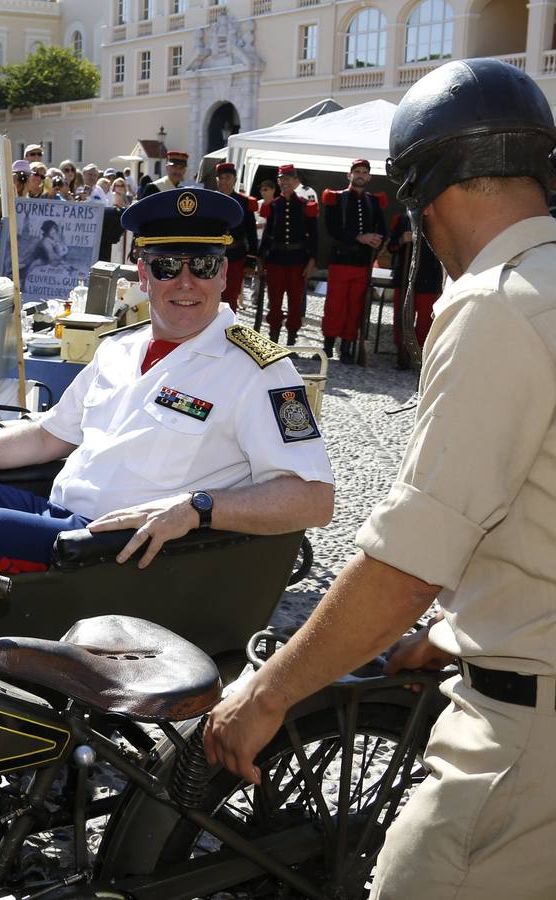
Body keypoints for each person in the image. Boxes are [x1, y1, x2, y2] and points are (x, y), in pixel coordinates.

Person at [204, 58, 556, 898]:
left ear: (422, 192)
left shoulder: (496, 302)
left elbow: (405, 562)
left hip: (525, 740)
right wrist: (454, 633)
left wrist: (265, 694)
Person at [0, 186, 333, 582]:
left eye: (201, 265)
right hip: (60, 515)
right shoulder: (120, 347)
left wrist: (197, 509)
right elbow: (48, 435)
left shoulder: (257, 369)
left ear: (224, 273)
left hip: (122, 553)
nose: (186, 282)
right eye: (167, 266)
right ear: (143, 274)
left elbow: (313, 497)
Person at [321, 160, 386, 363]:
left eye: (364, 172)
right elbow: (332, 228)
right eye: (356, 171)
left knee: (355, 306)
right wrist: (360, 237)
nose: (360, 175)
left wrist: (377, 238)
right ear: (349, 175)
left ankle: (347, 346)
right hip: (341, 259)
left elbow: (382, 228)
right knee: (335, 304)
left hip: (362, 262)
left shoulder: (374, 201)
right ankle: (328, 346)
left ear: (369, 177)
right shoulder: (336, 198)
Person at [258, 164, 318, 345]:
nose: (285, 182)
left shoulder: (305, 206)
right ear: (278, 181)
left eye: (289, 178)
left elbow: (314, 236)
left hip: (297, 260)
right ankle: (273, 336)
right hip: (276, 259)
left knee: (295, 302)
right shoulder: (273, 206)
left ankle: (292, 338)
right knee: (274, 301)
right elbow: (267, 234)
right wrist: (261, 260)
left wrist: (311, 261)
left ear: (296, 181)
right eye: (282, 179)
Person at [386, 211, 442, 370]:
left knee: (425, 319)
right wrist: (403, 239)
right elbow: (391, 246)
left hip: (428, 277)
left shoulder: (438, 221)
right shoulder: (402, 220)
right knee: (402, 317)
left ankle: (419, 355)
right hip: (404, 278)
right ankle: (402, 352)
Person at [214, 162, 259, 311]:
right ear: (217, 180)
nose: (224, 181)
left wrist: (251, 261)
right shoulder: (209, 201)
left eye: (228, 177)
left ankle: (228, 331)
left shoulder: (244, 202)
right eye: (221, 178)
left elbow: (251, 232)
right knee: (210, 296)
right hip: (211, 257)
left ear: (234, 180)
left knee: (230, 298)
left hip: (235, 256)